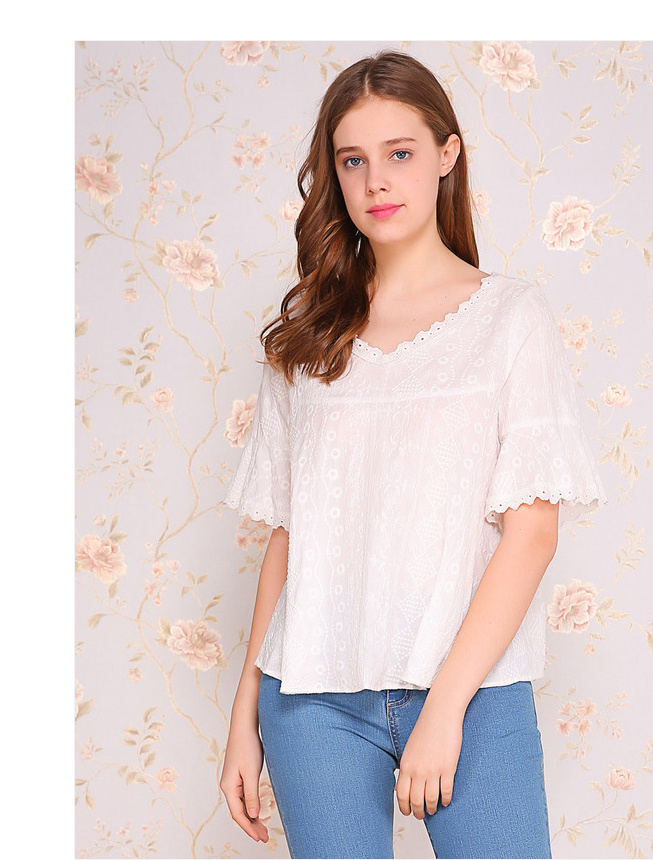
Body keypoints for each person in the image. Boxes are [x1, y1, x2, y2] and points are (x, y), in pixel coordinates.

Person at [219, 49, 607, 860]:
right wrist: (242, 719)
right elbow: (288, 539)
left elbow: (532, 533)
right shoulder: (307, 337)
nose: (376, 182)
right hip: (312, 704)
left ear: (446, 154)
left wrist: (445, 709)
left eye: (399, 153)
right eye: (352, 161)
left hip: (475, 692)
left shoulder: (511, 319)